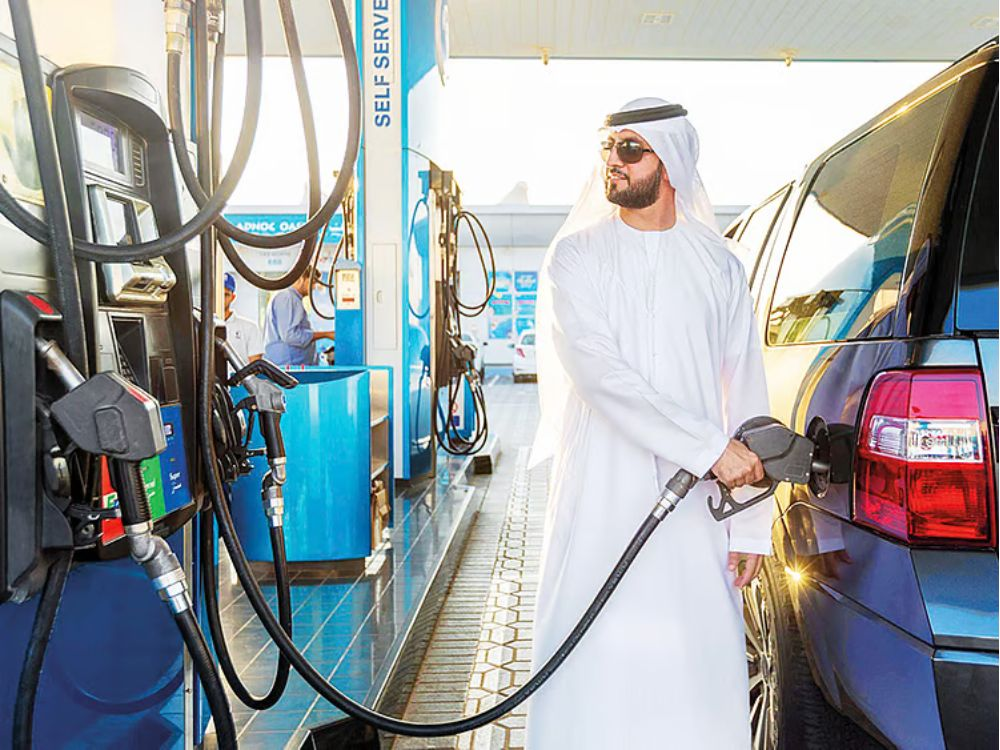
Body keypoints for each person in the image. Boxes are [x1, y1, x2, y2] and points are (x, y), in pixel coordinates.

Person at [526, 98, 771, 749]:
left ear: (672, 160)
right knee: (590, 667)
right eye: (607, 148)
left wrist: (750, 520)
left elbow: (745, 389)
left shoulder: (718, 264)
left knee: (692, 668)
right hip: (598, 497)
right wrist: (709, 447)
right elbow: (600, 373)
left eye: (629, 149)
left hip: (694, 512)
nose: (613, 161)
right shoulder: (575, 257)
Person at [263, 268, 334, 366]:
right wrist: (326, 334)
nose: (313, 288)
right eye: (312, 282)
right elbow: (290, 336)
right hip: (288, 366)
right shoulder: (287, 297)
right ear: (301, 279)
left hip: (293, 365)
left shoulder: (294, 299)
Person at [222, 271, 262, 365]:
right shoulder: (199, 327)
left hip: (240, 379)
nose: (221, 299)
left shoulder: (250, 328)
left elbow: (255, 368)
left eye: (226, 294)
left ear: (233, 297)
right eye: (218, 294)